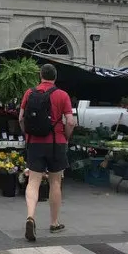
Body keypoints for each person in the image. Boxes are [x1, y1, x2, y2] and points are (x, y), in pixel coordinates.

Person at [18, 63, 75, 242]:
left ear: (40, 76)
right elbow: (71, 121)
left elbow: (20, 118)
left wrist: (27, 134)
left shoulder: (29, 93)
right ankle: (54, 222)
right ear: (55, 77)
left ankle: (30, 217)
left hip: (35, 142)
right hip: (56, 143)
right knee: (55, 182)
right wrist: (65, 136)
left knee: (33, 182)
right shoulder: (62, 95)